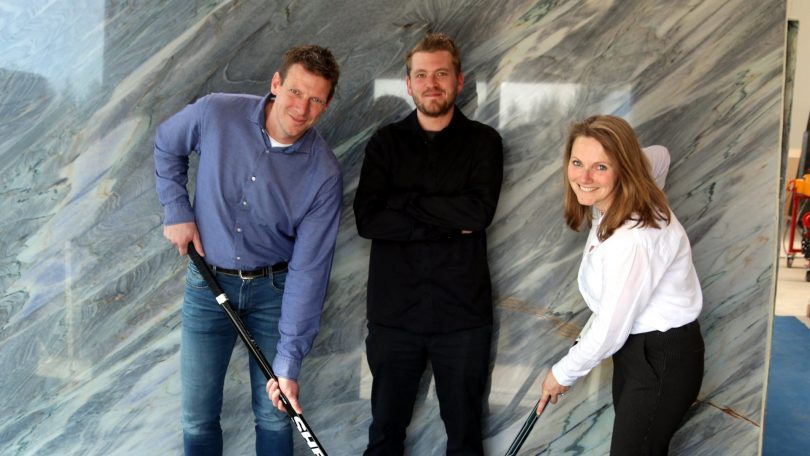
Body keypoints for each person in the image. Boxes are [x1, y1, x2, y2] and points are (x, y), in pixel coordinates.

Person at [154, 45, 342, 456]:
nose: (301, 108)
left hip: (274, 294)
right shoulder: (217, 112)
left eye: (315, 100)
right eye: (295, 92)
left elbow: (309, 273)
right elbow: (167, 143)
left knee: (275, 415)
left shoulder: (324, 174)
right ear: (276, 83)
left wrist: (288, 365)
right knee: (198, 418)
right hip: (207, 285)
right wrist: (176, 209)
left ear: (326, 106)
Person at [353, 33, 503, 455]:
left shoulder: (484, 142)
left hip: (463, 317)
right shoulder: (385, 143)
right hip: (394, 316)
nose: (431, 83)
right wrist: (448, 222)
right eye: (421, 75)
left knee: (465, 438)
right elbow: (368, 220)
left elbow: (477, 214)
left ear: (459, 80)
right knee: (385, 435)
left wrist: (403, 203)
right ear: (408, 84)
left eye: (441, 74)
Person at [536, 115, 704, 455]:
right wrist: (626, 168)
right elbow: (660, 155)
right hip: (639, 352)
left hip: (661, 358)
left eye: (600, 167)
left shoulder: (632, 239)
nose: (584, 178)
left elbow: (610, 329)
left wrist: (561, 374)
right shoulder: (629, 190)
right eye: (577, 162)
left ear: (624, 169)